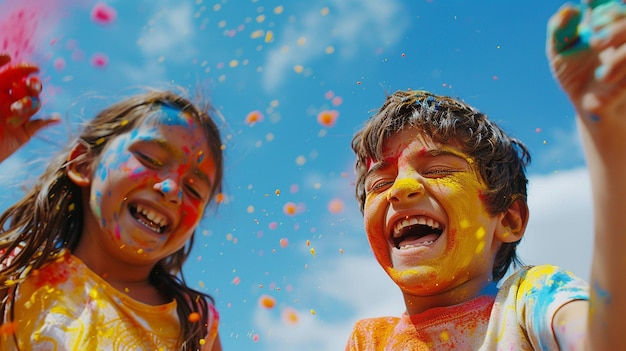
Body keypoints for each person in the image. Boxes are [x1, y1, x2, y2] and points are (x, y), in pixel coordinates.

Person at [345, 0, 626, 349]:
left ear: (508, 218)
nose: (401, 188)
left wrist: (609, 140)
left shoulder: (530, 300)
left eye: (439, 170)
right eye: (381, 183)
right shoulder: (370, 340)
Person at [0, 53, 224, 351]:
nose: (172, 190)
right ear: (83, 165)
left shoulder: (196, 323)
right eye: (149, 158)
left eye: (194, 190)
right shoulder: (14, 271)